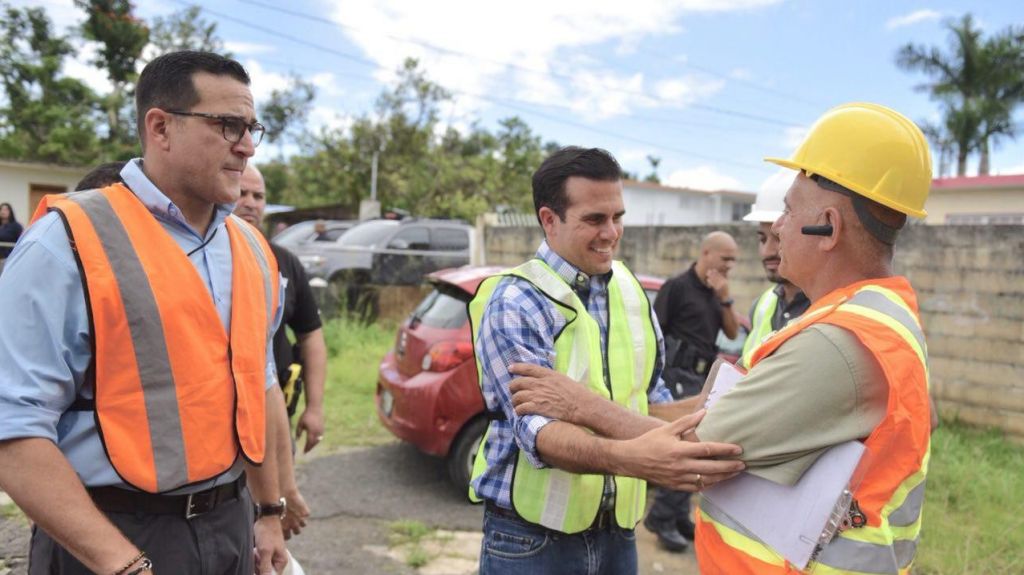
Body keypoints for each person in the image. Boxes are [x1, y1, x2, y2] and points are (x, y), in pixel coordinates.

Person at [508, 104, 936, 574]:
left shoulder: (842, 340)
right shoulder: (872, 315)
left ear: (829, 227)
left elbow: (695, 450)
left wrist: (578, 404)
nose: (776, 230)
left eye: (787, 211)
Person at [0, 51, 290, 575]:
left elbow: (260, 387)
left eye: (252, 128)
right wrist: (123, 564)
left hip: (232, 525)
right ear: (160, 128)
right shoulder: (66, 241)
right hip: (110, 536)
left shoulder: (251, 249)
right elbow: (13, 426)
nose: (247, 146)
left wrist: (269, 510)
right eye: (228, 125)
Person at [469, 146, 746, 575]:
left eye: (618, 217)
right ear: (549, 219)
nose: (611, 233)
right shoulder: (518, 300)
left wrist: (710, 411)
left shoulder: (631, 291)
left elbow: (647, 398)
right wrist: (635, 458)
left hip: (618, 533)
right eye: (595, 219)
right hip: (533, 540)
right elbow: (538, 432)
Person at [235, 164, 327, 539]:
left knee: (274, 526)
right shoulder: (203, 257)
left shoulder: (283, 262)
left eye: (258, 196)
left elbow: (311, 336)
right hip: (222, 429)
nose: (250, 203)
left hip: (274, 421)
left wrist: (315, 408)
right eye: (242, 192)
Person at [644, 230, 741, 550]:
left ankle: (677, 514)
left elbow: (732, 332)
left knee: (699, 446)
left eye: (733, 260)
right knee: (688, 446)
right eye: (725, 258)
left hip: (702, 378)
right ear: (706, 253)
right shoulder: (677, 287)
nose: (729, 265)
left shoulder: (718, 292)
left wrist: (724, 297)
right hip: (676, 375)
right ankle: (661, 517)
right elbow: (654, 333)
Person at [737, 173, 810, 369]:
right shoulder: (761, 305)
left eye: (778, 237)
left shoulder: (829, 306)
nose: (767, 251)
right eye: (762, 239)